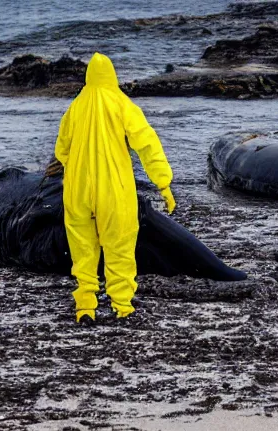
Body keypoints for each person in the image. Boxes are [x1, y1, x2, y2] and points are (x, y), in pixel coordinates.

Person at [54, 52, 175, 323]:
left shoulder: (76, 106)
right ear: (112, 76)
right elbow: (147, 144)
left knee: (83, 248)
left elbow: (61, 150)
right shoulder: (122, 104)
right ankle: (122, 305)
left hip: (77, 189)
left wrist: (77, 167)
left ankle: (85, 305)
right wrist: (163, 184)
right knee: (119, 244)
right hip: (114, 189)